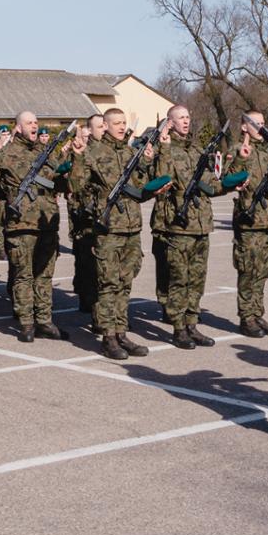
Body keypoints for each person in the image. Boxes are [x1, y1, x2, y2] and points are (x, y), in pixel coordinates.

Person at [69, 108, 166, 360]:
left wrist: (147, 162)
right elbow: (76, 186)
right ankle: (108, 336)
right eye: (116, 123)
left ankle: (121, 331)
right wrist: (78, 157)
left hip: (132, 227)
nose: (122, 127)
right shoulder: (93, 152)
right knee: (108, 283)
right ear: (106, 125)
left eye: (124, 123)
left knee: (125, 282)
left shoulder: (130, 152)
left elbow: (140, 186)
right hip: (109, 228)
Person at [152, 105, 236, 349]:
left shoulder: (197, 150)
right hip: (178, 226)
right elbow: (162, 178)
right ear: (170, 122)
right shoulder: (164, 149)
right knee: (179, 279)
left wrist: (231, 184)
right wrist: (165, 146)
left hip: (201, 224)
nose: (186, 121)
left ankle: (191, 323)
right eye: (180, 118)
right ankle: (178, 327)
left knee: (197, 279)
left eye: (188, 117)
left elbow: (210, 183)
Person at [0, 111, 71, 342]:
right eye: (29, 123)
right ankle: (26, 322)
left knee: (44, 275)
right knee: (23, 276)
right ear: (18, 127)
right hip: (21, 223)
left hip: (47, 222)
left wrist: (70, 169)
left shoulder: (46, 153)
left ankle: (44, 320)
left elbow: (60, 183)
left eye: (36, 122)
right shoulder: (7, 153)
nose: (34, 126)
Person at [230, 111, 268, 339]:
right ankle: (246, 317)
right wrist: (241, 158)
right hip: (248, 221)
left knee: (263, 271)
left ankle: (257, 312)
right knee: (248, 271)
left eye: (263, 124)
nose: (261, 128)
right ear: (244, 128)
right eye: (256, 124)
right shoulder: (237, 151)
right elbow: (228, 178)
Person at [70, 113, 106, 319]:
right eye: (99, 126)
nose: (104, 129)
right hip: (87, 219)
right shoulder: (84, 153)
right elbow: (75, 188)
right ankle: (95, 311)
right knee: (90, 268)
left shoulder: (113, 152)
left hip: (108, 222)